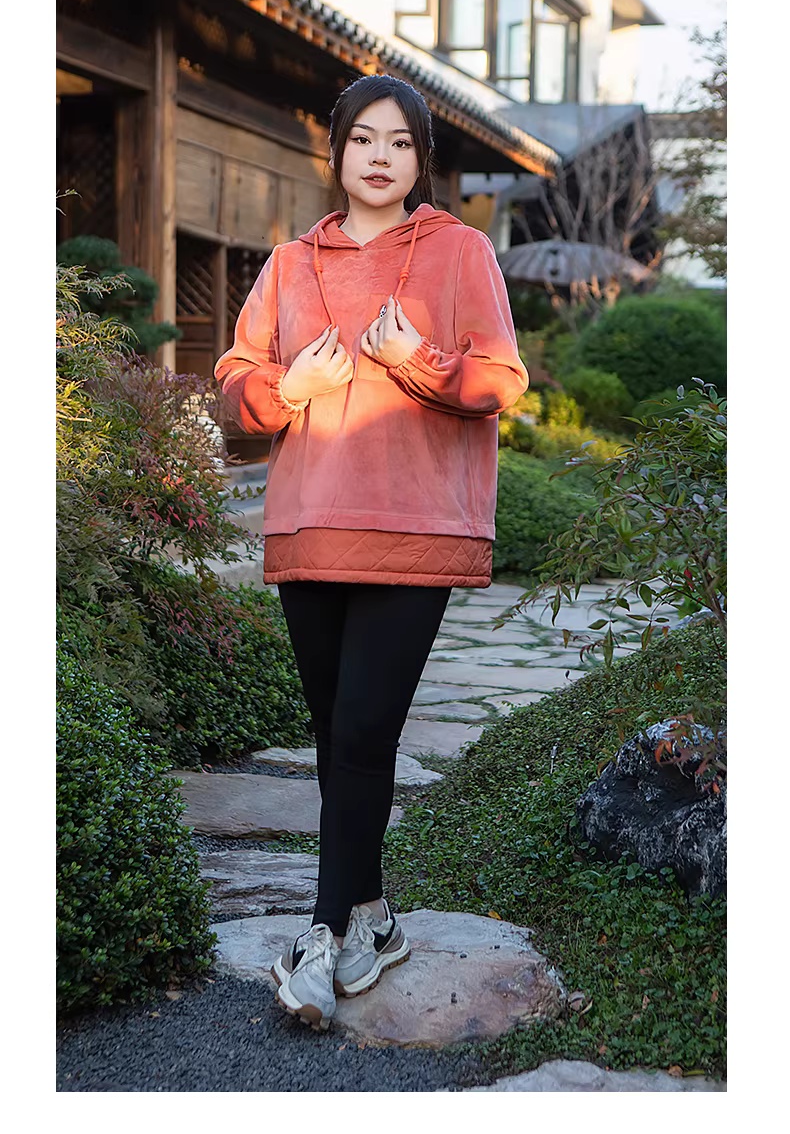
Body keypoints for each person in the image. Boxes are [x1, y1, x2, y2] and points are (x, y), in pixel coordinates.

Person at [214, 74, 529, 1032]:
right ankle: (375, 917)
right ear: (338, 152)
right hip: (310, 526)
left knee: (360, 728)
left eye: (398, 141)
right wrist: (290, 388)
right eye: (363, 139)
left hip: (416, 527)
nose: (380, 157)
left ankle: (320, 933)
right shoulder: (288, 264)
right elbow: (234, 381)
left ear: (420, 159)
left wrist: (414, 361)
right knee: (341, 738)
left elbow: (501, 378)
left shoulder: (461, 251)